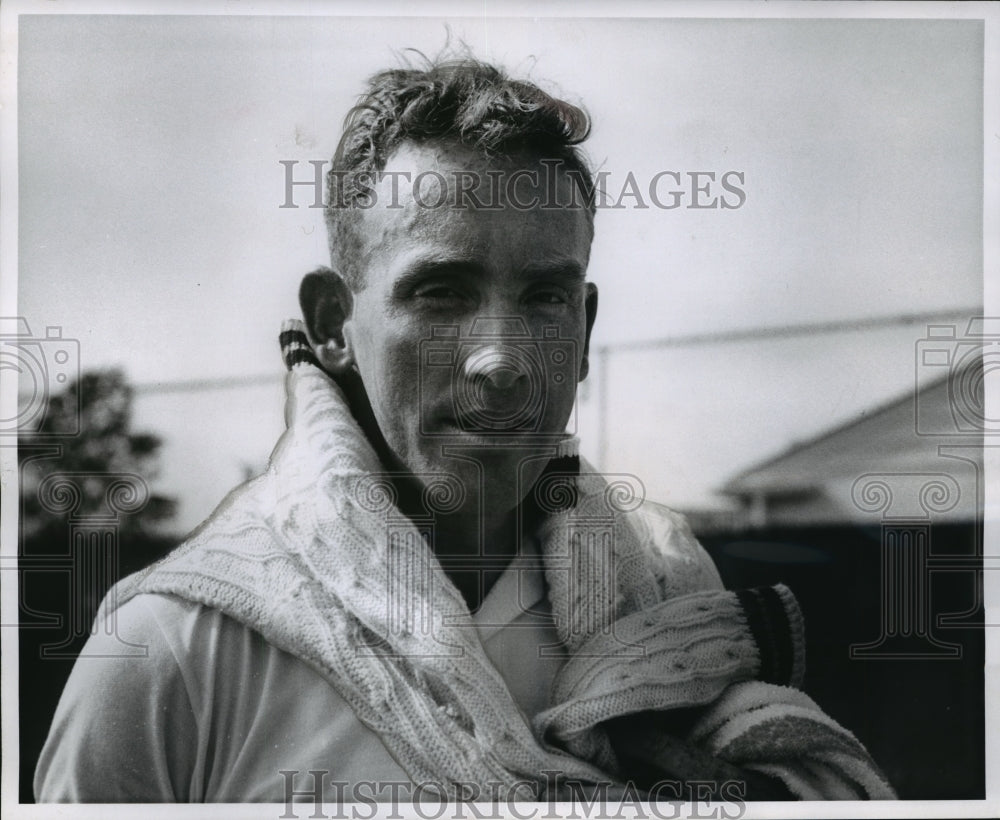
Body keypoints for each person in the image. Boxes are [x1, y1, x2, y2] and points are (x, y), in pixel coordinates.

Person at [34, 53, 895, 805]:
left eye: (544, 298)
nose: (501, 361)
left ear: (585, 330)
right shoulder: (173, 649)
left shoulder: (669, 594)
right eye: (441, 292)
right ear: (334, 321)